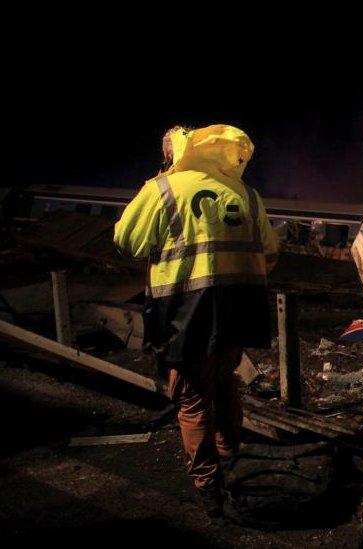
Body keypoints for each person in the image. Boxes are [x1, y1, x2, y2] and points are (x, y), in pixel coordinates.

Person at [114, 125, 278, 517]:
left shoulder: (163, 189)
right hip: (238, 305)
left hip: (186, 310)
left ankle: (208, 485)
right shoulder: (243, 192)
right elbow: (270, 250)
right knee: (225, 382)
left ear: (173, 155)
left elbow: (127, 241)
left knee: (191, 397)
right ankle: (232, 459)